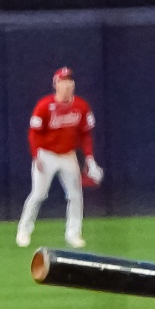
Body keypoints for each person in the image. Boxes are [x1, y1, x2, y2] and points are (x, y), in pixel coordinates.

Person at [15, 67, 100, 251]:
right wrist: (36, 155)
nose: (67, 85)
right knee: (38, 194)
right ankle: (23, 230)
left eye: (69, 81)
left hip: (68, 155)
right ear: (56, 85)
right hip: (46, 155)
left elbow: (86, 134)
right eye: (63, 81)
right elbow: (34, 133)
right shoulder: (44, 106)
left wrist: (90, 158)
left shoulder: (81, 106)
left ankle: (73, 234)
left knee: (75, 196)